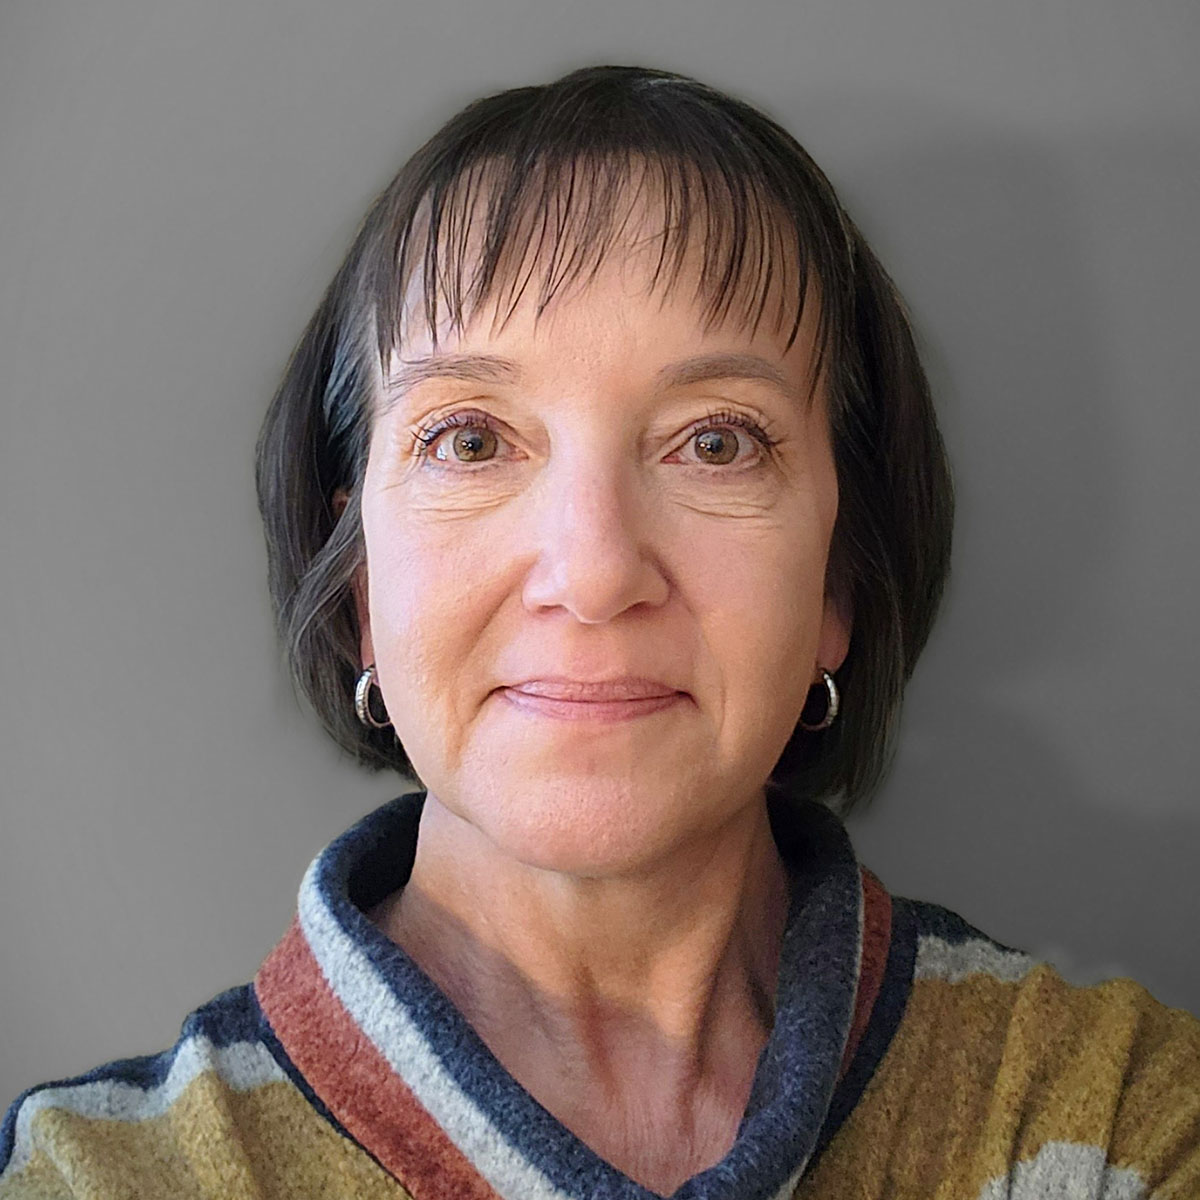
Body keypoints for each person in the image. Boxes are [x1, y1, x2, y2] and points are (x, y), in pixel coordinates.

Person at [1, 63, 1196, 1200]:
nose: (594, 574)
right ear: (359, 581)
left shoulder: (1120, 1119)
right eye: (471, 440)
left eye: (715, 442)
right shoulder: (96, 1177)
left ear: (838, 582)